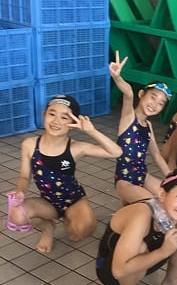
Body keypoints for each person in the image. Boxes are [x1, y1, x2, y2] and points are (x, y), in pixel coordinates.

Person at [7, 94, 122, 253]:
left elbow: (116, 152)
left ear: (73, 123)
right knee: (16, 215)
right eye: (52, 114)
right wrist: (20, 191)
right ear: (44, 115)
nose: (56, 121)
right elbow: (24, 176)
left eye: (64, 117)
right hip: (47, 203)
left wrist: (92, 131)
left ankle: (70, 218)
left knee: (84, 230)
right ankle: (48, 228)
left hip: (74, 200)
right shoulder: (30, 145)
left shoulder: (75, 147)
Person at [110, 51, 172, 205]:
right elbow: (128, 93)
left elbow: (157, 156)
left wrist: (174, 179)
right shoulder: (129, 117)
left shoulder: (148, 126)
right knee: (152, 205)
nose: (155, 105)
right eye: (153, 97)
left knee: (169, 198)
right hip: (125, 179)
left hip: (143, 176)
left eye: (161, 103)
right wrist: (117, 77)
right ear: (141, 94)